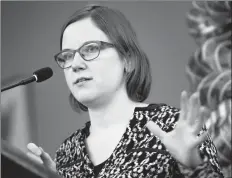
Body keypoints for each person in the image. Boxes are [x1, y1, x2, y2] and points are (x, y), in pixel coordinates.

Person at [27, 4, 224, 178]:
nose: (75, 65)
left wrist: (193, 165)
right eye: (67, 56)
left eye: (90, 49)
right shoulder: (67, 153)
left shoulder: (171, 125)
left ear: (127, 60)